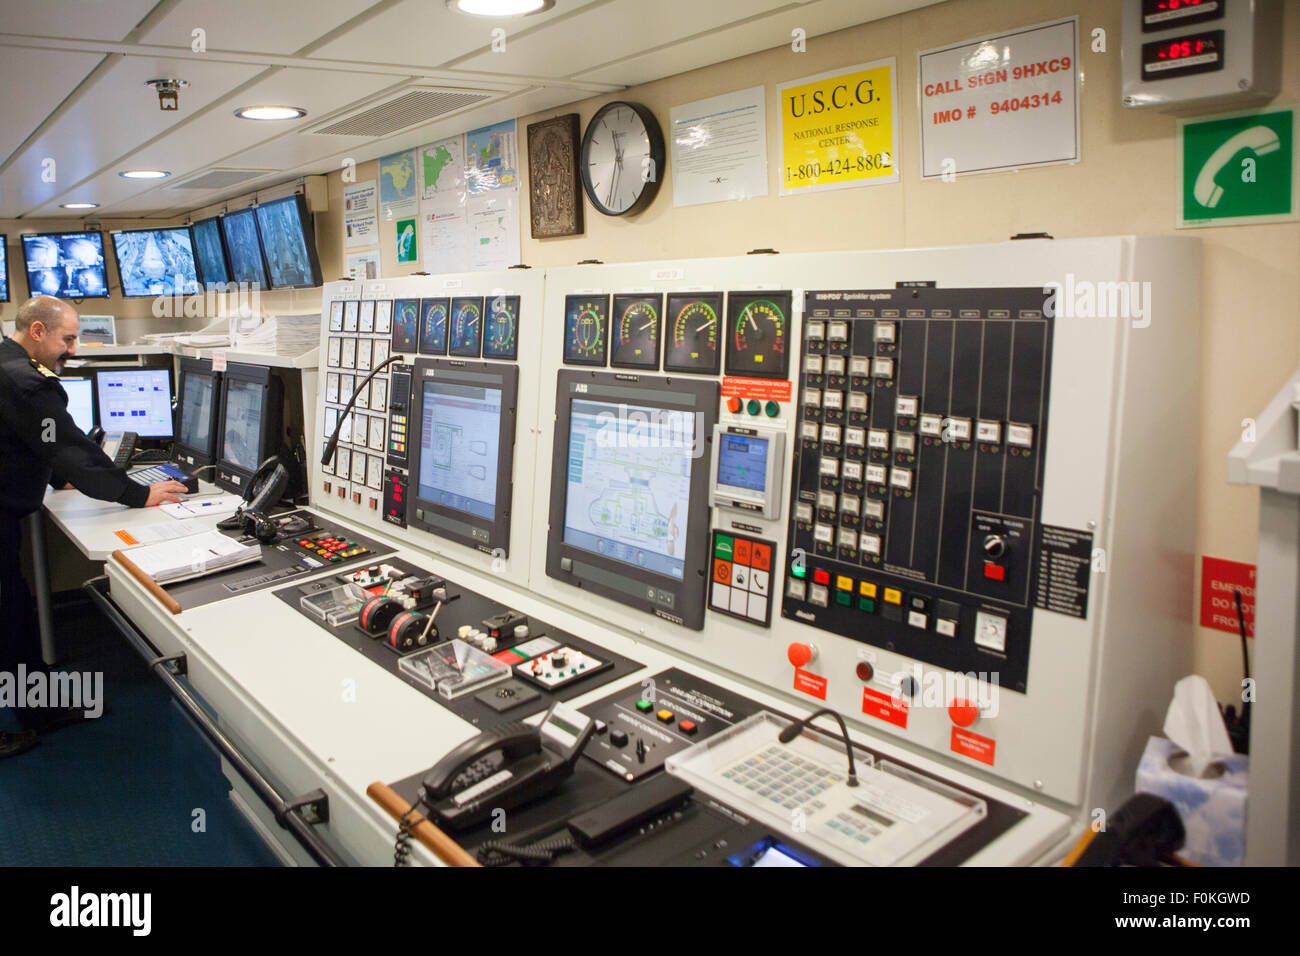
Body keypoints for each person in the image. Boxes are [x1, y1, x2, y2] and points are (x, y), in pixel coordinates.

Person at [0, 296, 188, 759]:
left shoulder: (5, 362)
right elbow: (70, 448)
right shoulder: (27, 383)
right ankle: (31, 714)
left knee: (14, 609)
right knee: (7, 614)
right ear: (38, 332)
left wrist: (57, 473)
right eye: (67, 339)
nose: (72, 348)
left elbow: (28, 442)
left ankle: (40, 707)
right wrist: (137, 494)